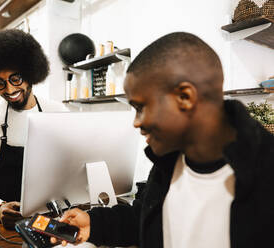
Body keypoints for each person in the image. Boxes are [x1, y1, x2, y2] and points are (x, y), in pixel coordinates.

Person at [55, 32, 274, 248]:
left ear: (185, 97)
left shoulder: (265, 176)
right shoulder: (171, 161)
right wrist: (95, 224)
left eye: (140, 108)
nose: (136, 122)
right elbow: (151, 217)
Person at [0, 29, 67, 229]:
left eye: (16, 79)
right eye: (0, 83)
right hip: (4, 227)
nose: (10, 90)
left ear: (31, 74)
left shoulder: (58, 112)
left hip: (51, 222)